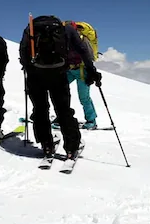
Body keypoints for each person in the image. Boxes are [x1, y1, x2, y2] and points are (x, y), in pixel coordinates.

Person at [19, 15, 102, 160]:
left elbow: (23, 50)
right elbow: (83, 50)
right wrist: (91, 70)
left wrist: (29, 70)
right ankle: (71, 147)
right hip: (58, 74)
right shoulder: (66, 30)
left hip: (36, 76)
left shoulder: (31, 29)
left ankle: (46, 145)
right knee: (64, 110)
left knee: (40, 110)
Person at [52, 21, 99, 130]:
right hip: (69, 69)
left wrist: (91, 72)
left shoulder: (82, 40)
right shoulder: (62, 40)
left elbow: (88, 56)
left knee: (83, 97)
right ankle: (62, 116)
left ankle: (91, 120)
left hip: (83, 70)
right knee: (59, 91)